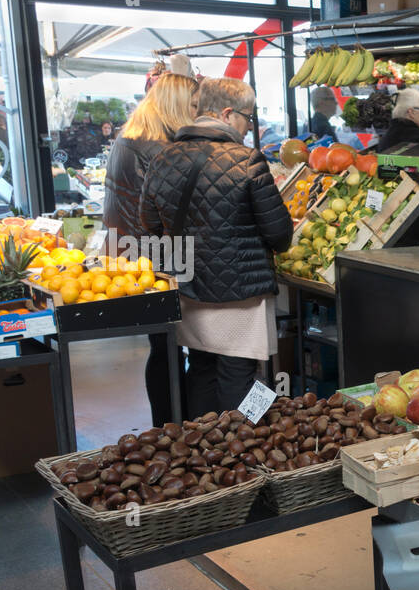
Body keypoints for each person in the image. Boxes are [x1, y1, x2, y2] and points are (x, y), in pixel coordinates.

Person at [139, 77, 293, 417]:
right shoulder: (247, 160)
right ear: (227, 113)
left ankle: (203, 456)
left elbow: (148, 226)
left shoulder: (162, 158)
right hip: (241, 293)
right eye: (247, 118)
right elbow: (279, 235)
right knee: (240, 376)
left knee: (202, 371)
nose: (248, 126)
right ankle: (242, 458)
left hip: (189, 289)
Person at [103, 72, 199, 427]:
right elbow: (172, 209)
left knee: (163, 346)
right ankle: (176, 424)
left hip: (130, 251)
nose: (195, 111)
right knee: (174, 347)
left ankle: (166, 423)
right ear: (176, 105)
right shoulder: (157, 147)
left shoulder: (130, 137)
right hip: (157, 254)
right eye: (192, 105)